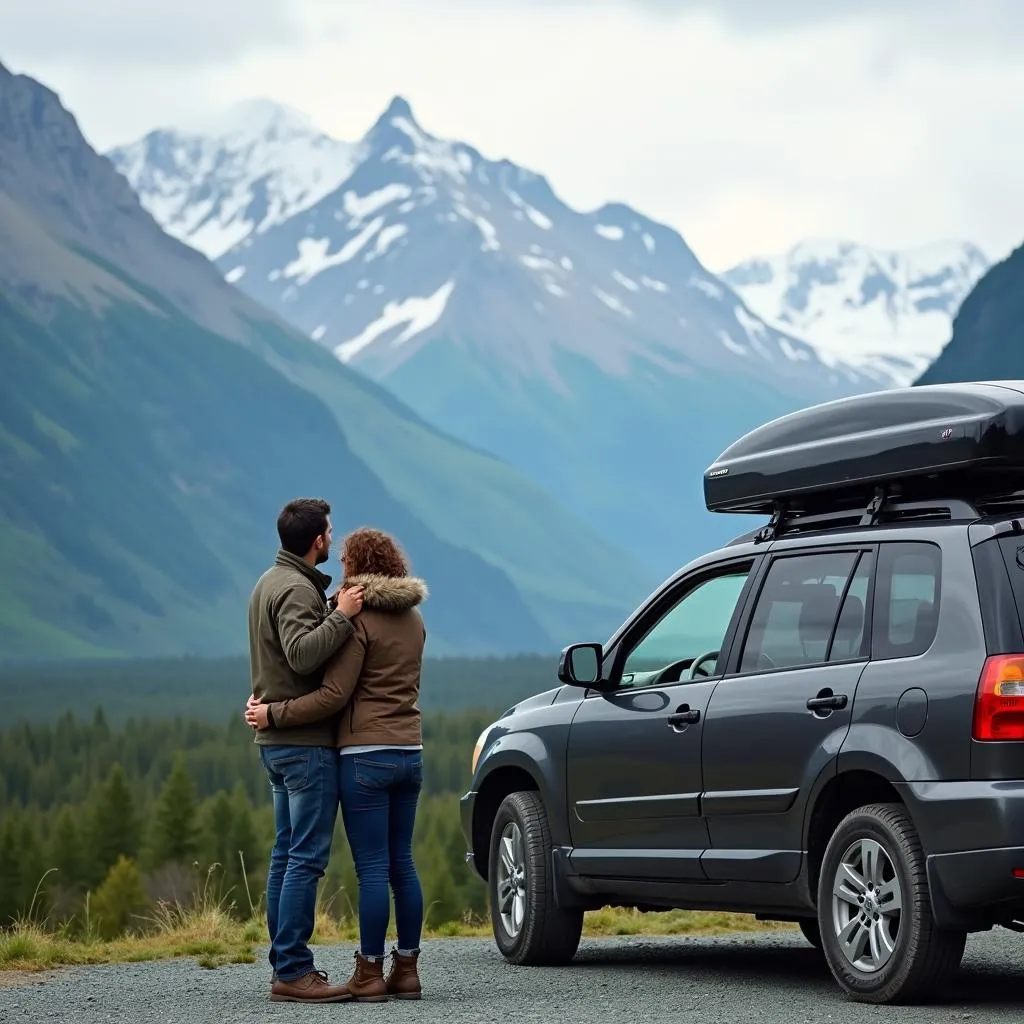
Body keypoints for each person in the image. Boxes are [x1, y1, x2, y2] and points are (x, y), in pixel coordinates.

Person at [246, 526, 428, 1003]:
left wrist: (273, 712)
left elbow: (333, 694)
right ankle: (406, 969)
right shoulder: (414, 619)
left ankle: (368, 973)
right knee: (402, 864)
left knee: (370, 868)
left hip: (365, 754)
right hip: (411, 751)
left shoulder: (360, 619)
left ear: (355, 566)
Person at [248, 497, 365, 1004]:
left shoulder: (267, 582)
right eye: (330, 532)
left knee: (285, 856)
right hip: (304, 746)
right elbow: (298, 654)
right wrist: (341, 615)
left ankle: (285, 962)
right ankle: (294, 970)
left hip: (277, 743)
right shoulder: (296, 588)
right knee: (305, 859)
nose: (333, 539)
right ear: (318, 540)